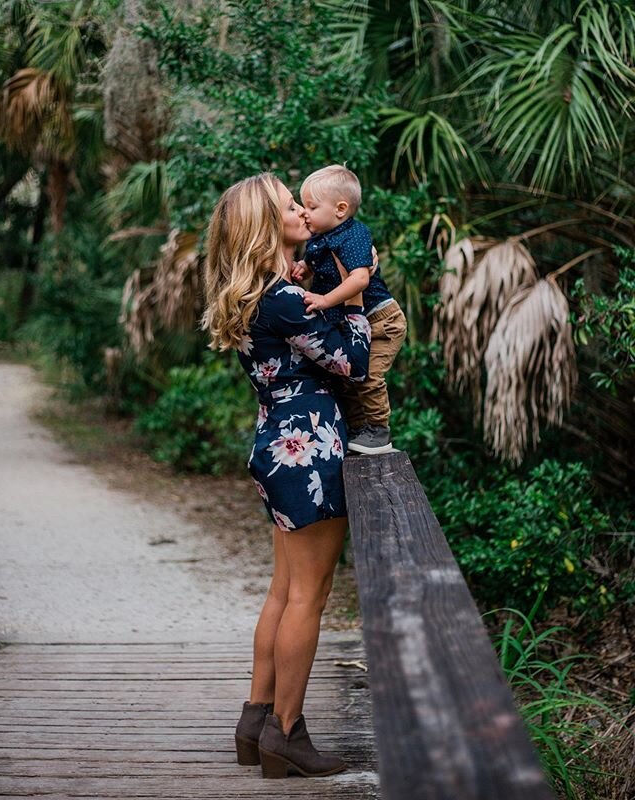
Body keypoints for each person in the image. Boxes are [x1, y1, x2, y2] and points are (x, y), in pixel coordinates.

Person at [201, 173, 371, 778]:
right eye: (290, 205)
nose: (302, 210)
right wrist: (354, 298)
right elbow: (351, 362)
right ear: (267, 225)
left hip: (278, 443)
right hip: (309, 451)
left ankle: (257, 719)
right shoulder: (287, 298)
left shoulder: (262, 292)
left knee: (283, 590)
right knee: (309, 596)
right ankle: (288, 733)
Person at [293, 164, 407, 455]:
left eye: (311, 206)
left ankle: (378, 430)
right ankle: (359, 431)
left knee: (368, 376)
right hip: (355, 323)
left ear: (340, 209)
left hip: (381, 320)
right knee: (349, 378)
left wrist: (324, 300)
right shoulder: (320, 238)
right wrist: (303, 268)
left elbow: (359, 278)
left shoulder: (353, 235)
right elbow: (316, 263)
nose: (305, 212)